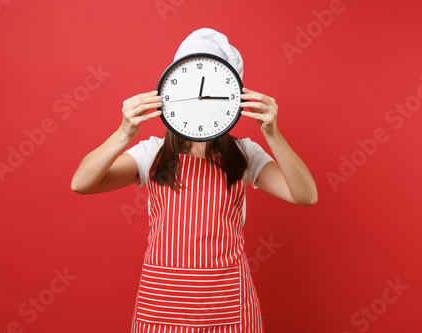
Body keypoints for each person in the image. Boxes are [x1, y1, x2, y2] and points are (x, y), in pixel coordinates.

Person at [71, 28, 317, 333]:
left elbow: (306, 195)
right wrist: (124, 132)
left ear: (232, 100)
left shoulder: (244, 154)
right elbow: (81, 183)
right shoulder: (152, 152)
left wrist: (272, 134)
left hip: (226, 306)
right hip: (161, 306)